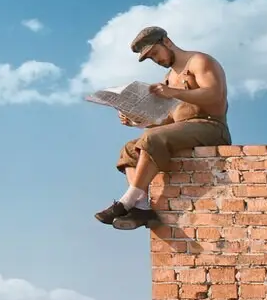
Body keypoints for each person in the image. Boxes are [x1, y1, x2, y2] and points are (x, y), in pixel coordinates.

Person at [95, 26, 232, 230]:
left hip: (211, 127)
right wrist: (134, 120)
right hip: (182, 130)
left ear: (166, 42)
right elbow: (167, 120)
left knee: (151, 138)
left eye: (155, 53)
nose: (156, 60)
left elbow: (215, 96)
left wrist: (173, 92)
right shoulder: (169, 78)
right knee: (129, 149)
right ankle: (141, 207)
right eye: (150, 58)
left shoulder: (199, 61)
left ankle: (126, 202)